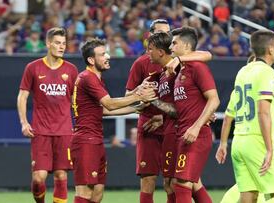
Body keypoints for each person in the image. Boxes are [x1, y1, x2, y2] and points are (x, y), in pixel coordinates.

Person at [125, 19, 213, 203]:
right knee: (160, 180)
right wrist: (134, 102)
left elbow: (207, 55)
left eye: (170, 35)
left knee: (184, 181)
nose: (167, 37)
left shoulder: (184, 64)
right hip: (154, 128)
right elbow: (132, 97)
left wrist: (203, 113)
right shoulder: (149, 67)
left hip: (180, 129)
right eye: (162, 33)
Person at [71, 38, 156, 203]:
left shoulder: (95, 79)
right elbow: (109, 103)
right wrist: (138, 96)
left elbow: (103, 110)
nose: (107, 56)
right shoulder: (88, 77)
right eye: (102, 54)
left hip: (94, 139)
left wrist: (136, 108)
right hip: (85, 141)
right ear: (90, 60)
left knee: (97, 193)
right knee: (85, 193)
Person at [220, 30, 274, 203]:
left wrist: (223, 143)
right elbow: (263, 112)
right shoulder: (267, 73)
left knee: (248, 198)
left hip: (239, 141)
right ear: (269, 49)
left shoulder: (243, 72)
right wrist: (269, 149)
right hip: (258, 142)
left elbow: (230, 114)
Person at [152, 27, 220, 203]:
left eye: (175, 43)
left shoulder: (198, 67)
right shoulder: (180, 70)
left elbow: (214, 100)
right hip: (182, 134)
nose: (171, 47)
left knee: (182, 184)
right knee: (188, 183)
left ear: (187, 45)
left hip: (195, 135)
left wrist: (197, 126)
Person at [17, 27, 78, 203]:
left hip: (65, 131)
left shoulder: (71, 70)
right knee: (39, 178)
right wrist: (23, 122)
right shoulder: (33, 68)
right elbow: (22, 96)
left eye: (64, 43)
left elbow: (77, 101)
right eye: (58, 43)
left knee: (61, 176)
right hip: (41, 132)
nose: (61, 47)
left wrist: (79, 123)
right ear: (48, 43)